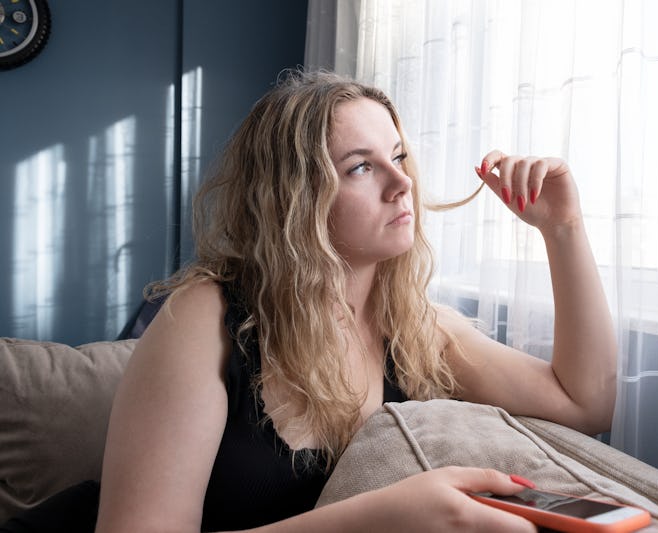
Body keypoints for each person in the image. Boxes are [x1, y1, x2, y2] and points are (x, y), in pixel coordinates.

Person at [5, 70, 617, 533]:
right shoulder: (206, 317)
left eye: (398, 156)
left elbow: (583, 404)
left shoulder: (412, 325)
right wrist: (379, 518)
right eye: (360, 167)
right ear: (294, 198)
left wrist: (563, 229)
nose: (402, 182)